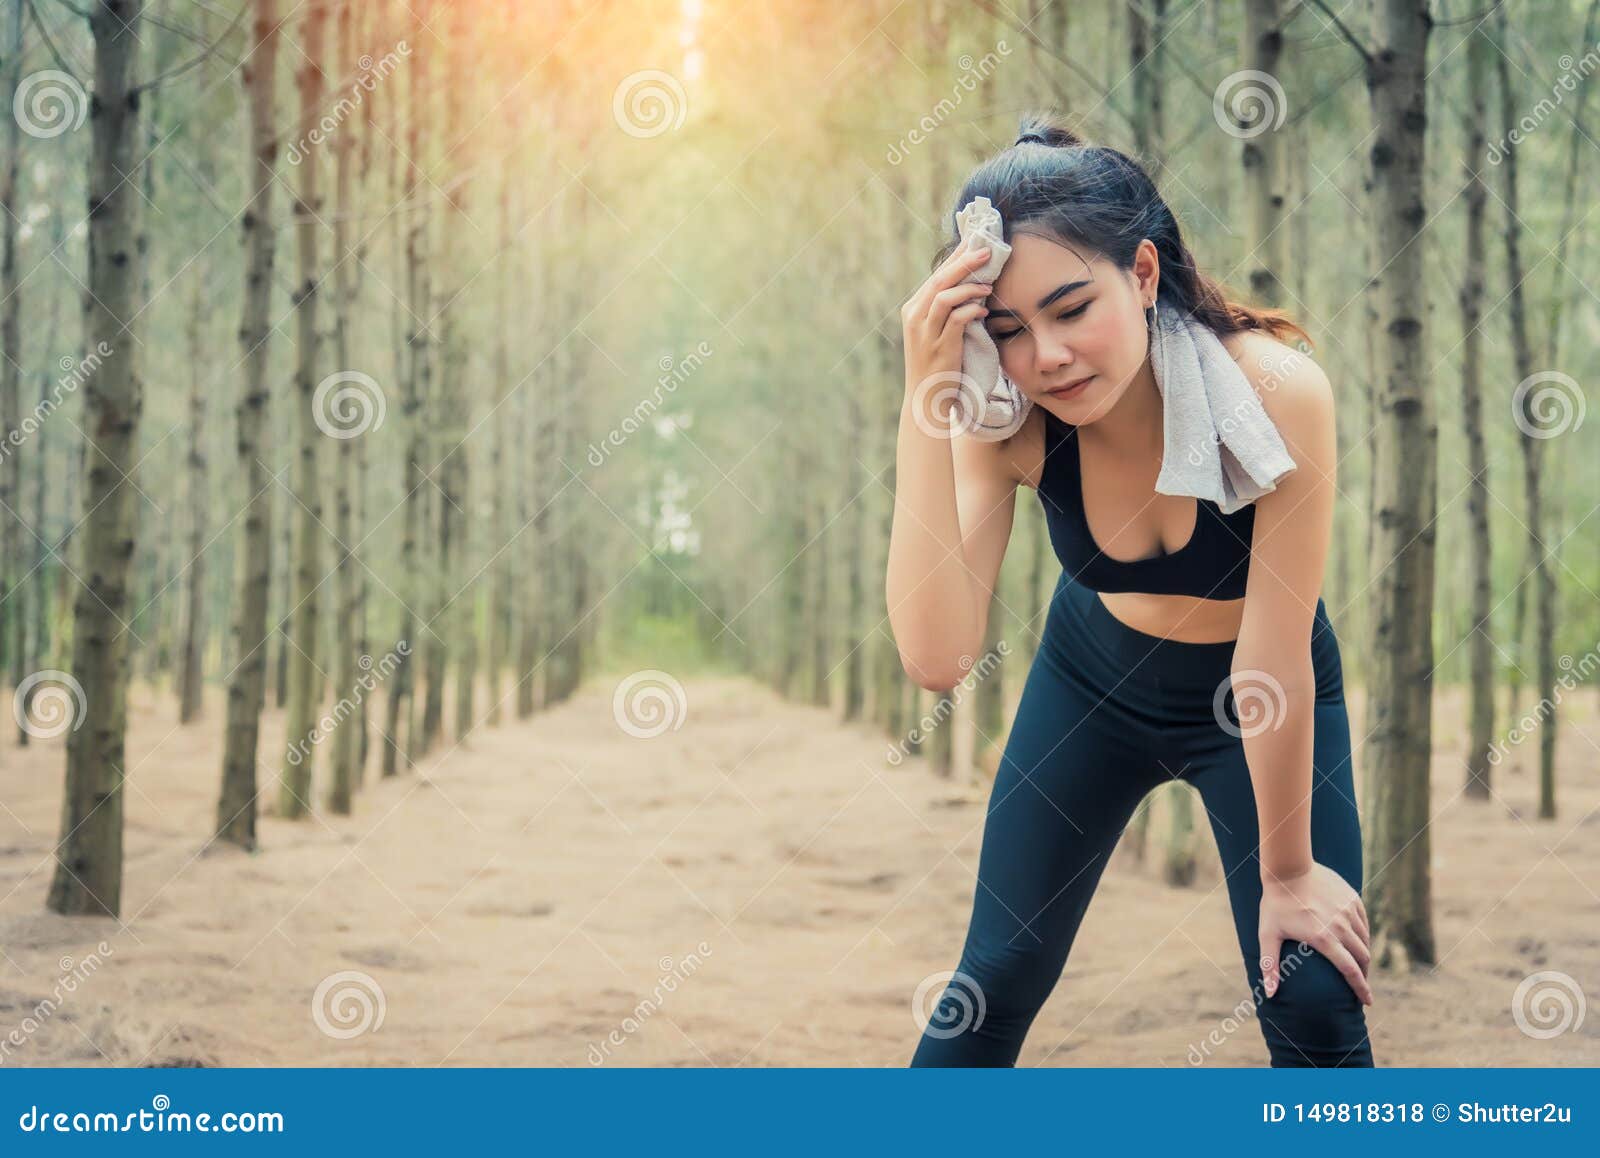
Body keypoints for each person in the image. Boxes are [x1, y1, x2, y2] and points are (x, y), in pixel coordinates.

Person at [887, 114, 1374, 1068]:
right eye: (1008, 331)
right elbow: (935, 656)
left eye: (1072, 309)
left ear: (1144, 274)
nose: (1047, 357)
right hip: (1092, 683)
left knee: (1311, 991)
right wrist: (927, 400)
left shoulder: (1277, 393)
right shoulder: (1008, 422)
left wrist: (1288, 875)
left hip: (1261, 689)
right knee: (992, 984)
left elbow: (1269, 655)